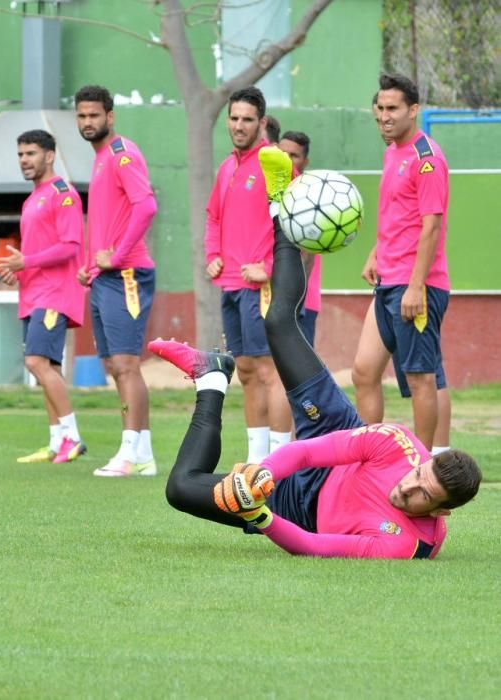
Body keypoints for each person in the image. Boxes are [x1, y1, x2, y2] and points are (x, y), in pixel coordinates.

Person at [147, 150, 481, 559]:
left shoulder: (409, 544)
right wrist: (262, 473)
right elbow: (306, 451)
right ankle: (281, 201)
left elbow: (313, 544)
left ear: (441, 511)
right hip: (331, 434)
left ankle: (212, 380)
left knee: (180, 488)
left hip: (300, 511)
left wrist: (259, 511)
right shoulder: (395, 443)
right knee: (279, 324)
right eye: (417, 476)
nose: (407, 487)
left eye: (422, 496)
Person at [352, 74, 452, 452]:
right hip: (387, 282)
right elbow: (398, 213)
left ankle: (422, 469)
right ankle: (368, 459)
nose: (384, 116)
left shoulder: (427, 159)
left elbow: (431, 227)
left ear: (414, 110)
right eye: (379, 108)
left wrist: (416, 285)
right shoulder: (391, 151)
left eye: (392, 108)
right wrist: (376, 252)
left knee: (420, 378)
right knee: (363, 371)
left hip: (416, 287)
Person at [205, 86, 293, 462]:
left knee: (269, 371)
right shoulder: (227, 166)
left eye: (247, 119)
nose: (239, 126)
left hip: (262, 287)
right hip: (230, 285)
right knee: (244, 369)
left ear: (262, 122)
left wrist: (269, 268)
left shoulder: (275, 162)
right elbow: (214, 216)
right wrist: (213, 254)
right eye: (234, 118)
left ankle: (281, 461)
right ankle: (256, 461)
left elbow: (294, 223)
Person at [74, 85, 158, 477]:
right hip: (105, 276)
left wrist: (118, 256)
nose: (87, 122)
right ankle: (140, 452)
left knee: (125, 364)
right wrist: (91, 265)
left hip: (126, 274)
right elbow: (112, 220)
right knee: (113, 364)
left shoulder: (122, 154)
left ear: (111, 116)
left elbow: (146, 206)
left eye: (94, 115)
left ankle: (133, 452)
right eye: (82, 116)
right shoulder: (100, 158)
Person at [0, 130, 86, 464]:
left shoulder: (63, 194)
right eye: (20, 154)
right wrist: (18, 270)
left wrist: (27, 261)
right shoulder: (32, 199)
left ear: (49, 156)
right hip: (33, 294)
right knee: (47, 367)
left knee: (35, 362)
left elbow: (70, 246)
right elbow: (37, 250)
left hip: (55, 295)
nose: (24, 160)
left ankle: (73, 438)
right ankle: (56, 442)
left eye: (30, 153)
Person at [278, 130, 321, 346]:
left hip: (301, 302)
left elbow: (307, 255)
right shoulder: (272, 194)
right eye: (282, 153)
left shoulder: (311, 196)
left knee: (301, 373)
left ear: (305, 161)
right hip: (271, 298)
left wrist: (293, 299)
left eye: (293, 155)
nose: (286, 159)